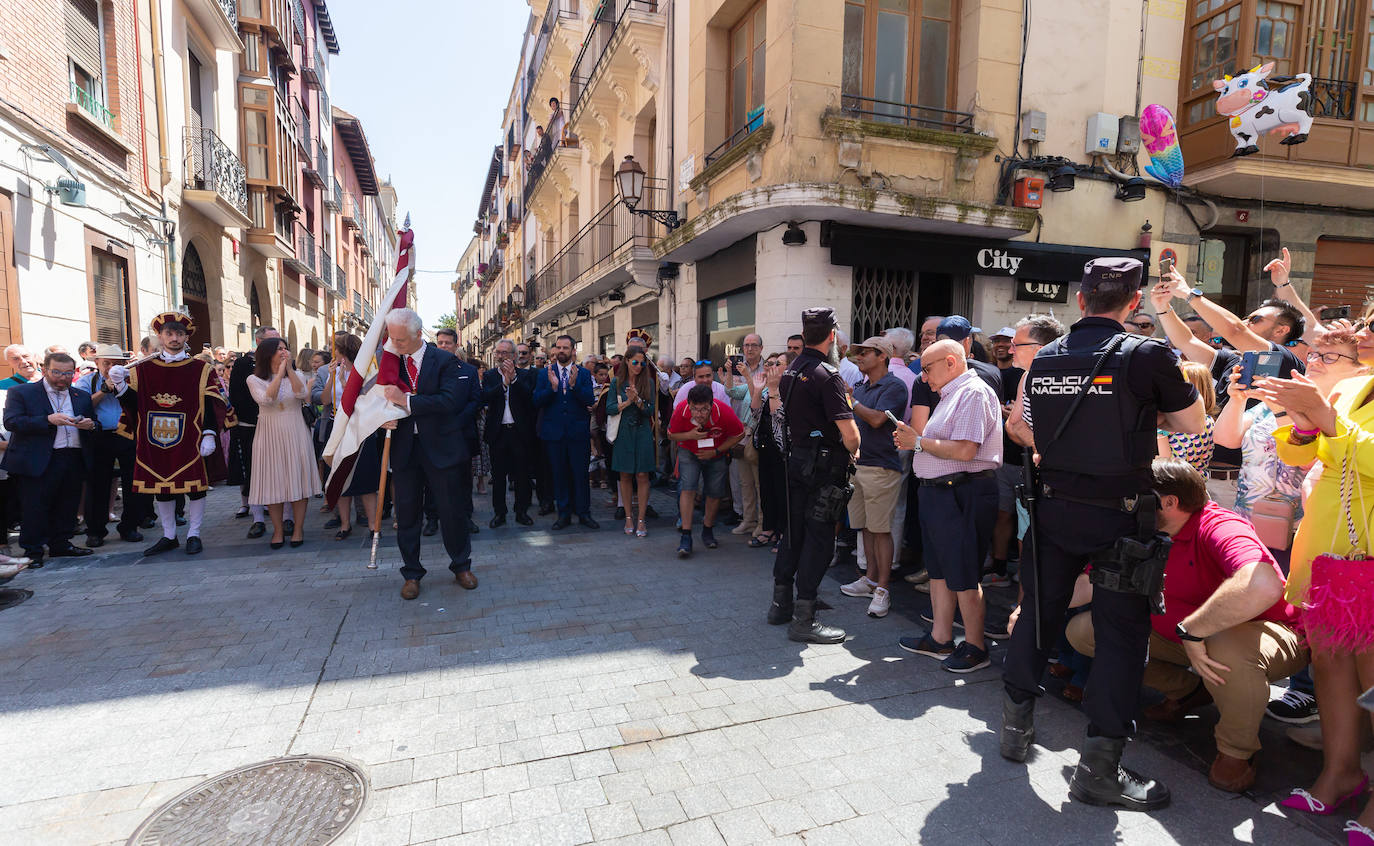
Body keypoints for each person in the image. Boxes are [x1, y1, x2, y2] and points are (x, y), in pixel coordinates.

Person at [999, 257, 1204, 810]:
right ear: (1133, 302)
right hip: (1119, 515)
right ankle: (1097, 770)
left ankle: (1015, 733)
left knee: (1038, 614)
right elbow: (1195, 424)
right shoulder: (1148, 355)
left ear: (1082, 301)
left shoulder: (1044, 356)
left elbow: (1019, 424)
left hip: (1053, 508)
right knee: (1120, 639)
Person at [1065, 458, 1306, 792]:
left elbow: (1263, 585)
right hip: (1188, 637)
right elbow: (1092, 584)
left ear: (1169, 502)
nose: (1127, 504)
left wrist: (1195, 628)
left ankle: (1237, 750)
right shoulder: (1142, 529)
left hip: (1272, 633)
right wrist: (1039, 606)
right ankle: (1189, 691)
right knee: (1086, 631)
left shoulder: (1219, 525)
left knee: (1227, 647)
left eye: (1137, 496)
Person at [1258, 307, 1374, 839]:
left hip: (1366, 555)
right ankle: (1339, 773)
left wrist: (1326, 422)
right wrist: (1303, 421)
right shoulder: (1355, 389)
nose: (1365, 332)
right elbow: (1316, 453)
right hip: (1329, 552)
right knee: (1330, 665)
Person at [893, 340, 1003, 671]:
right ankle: (941, 638)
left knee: (963, 572)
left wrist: (919, 442)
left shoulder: (971, 392)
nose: (923, 377)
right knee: (941, 569)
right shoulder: (954, 393)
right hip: (944, 492)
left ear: (951, 362)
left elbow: (966, 451)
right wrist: (919, 443)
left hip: (961, 491)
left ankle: (975, 646)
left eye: (927, 369)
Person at [769, 308, 860, 644]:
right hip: (823, 468)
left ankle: (781, 604)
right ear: (832, 335)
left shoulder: (793, 370)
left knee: (793, 533)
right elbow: (850, 435)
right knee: (819, 538)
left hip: (796, 461)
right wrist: (855, 446)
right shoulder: (827, 374)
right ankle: (804, 617)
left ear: (805, 335)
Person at [110, 313, 233, 556]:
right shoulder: (142, 369)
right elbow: (134, 405)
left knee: (195, 487)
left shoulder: (201, 368)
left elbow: (210, 403)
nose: (174, 338)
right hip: (153, 438)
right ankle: (169, 536)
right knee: (161, 488)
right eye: (169, 333)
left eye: (179, 334)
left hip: (191, 435)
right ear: (160, 336)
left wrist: (209, 433)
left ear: (186, 337)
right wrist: (121, 386)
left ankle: (194, 534)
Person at [379, 309, 481, 601]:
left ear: (416, 334)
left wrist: (407, 401)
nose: (394, 344)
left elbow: (450, 401)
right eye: (392, 338)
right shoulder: (389, 361)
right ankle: (411, 573)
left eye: (400, 339)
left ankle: (461, 566)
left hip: (442, 448)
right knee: (407, 514)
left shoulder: (445, 361)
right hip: (405, 450)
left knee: (452, 511)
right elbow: (376, 398)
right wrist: (381, 418)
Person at [2, 351, 96, 564]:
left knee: (67, 504)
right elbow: (12, 422)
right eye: (56, 372)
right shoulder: (21, 392)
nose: (62, 378)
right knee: (35, 506)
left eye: (68, 373)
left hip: (73, 456)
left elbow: (94, 422)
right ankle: (33, 551)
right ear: (43, 370)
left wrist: (91, 425)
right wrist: (47, 420)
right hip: (38, 459)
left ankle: (61, 544)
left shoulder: (80, 396)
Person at [837, 336, 907, 619]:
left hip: (881, 467)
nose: (859, 357)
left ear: (882, 356)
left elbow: (878, 419)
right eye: (858, 353)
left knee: (880, 530)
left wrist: (850, 400)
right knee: (865, 527)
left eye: (865, 353)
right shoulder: (863, 387)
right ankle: (870, 580)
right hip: (860, 465)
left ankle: (883, 589)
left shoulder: (895, 386)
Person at [246, 337, 321, 548]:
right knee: (273, 482)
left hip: (295, 430)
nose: (283, 352)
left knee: (298, 479)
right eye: (279, 349)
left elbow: (302, 394)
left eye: (285, 348)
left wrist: (288, 371)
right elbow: (266, 400)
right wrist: (279, 375)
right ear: (267, 353)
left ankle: (298, 529)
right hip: (269, 434)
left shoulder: (295, 374)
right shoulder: (254, 379)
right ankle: (278, 531)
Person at [77, 344, 146, 547]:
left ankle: (130, 527)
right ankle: (96, 531)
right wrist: (104, 390)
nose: (110, 367)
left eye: (116, 363)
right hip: (99, 437)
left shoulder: (132, 380)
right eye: (106, 363)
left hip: (128, 435)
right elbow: (81, 407)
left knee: (133, 483)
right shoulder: (86, 381)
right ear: (97, 363)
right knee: (97, 484)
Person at [668, 383, 744, 557]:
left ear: (712, 405)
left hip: (715, 453)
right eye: (695, 409)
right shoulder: (681, 410)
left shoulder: (723, 411)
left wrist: (717, 451)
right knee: (688, 489)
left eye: (704, 409)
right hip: (688, 450)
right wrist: (690, 435)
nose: (699, 414)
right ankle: (686, 535)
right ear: (688, 405)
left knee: (714, 492)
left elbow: (739, 434)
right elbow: (671, 434)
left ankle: (707, 529)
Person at [533, 334, 598, 530]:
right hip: (554, 434)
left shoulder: (584, 374)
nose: (561, 351)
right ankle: (563, 514)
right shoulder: (545, 374)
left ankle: (584, 513)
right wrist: (552, 388)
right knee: (559, 474)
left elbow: (589, 400)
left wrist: (573, 386)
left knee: (580, 475)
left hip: (578, 434)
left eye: (565, 348)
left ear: (572, 351)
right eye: (558, 348)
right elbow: (536, 401)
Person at [322, 333, 379, 540]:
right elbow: (325, 400)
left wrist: (348, 384)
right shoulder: (333, 370)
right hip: (338, 428)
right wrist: (331, 377)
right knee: (339, 475)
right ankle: (345, 525)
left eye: (334, 347)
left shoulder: (365, 370)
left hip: (361, 428)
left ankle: (373, 524)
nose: (332, 350)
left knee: (366, 478)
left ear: (344, 350)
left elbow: (367, 399)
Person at [228, 326, 280, 537]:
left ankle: (285, 516)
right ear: (259, 342)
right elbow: (237, 396)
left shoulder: (283, 364)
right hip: (252, 426)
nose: (278, 346)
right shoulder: (243, 364)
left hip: (278, 425)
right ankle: (257, 517)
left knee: (278, 472)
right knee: (253, 472)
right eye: (272, 341)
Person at [482, 339, 536, 527]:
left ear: (513, 356)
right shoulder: (489, 376)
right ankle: (500, 513)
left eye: (505, 353)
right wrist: (503, 384)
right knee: (498, 477)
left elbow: (530, 398)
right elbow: (485, 397)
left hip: (520, 433)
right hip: (498, 433)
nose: (500, 356)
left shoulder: (524, 375)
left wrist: (513, 380)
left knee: (522, 475)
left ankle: (521, 511)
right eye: (498, 353)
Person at [608, 349, 659, 537]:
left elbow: (650, 410)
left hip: (643, 432)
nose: (638, 366)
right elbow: (610, 408)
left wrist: (637, 399)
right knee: (625, 475)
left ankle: (641, 519)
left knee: (643, 475)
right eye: (635, 362)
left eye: (642, 363)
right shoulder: (616, 382)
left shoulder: (649, 382)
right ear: (627, 361)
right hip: (624, 433)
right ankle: (629, 517)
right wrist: (627, 402)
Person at [748, 353, 788, 551]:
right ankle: (768, 528)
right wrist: (757, 390)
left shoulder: (789, 389)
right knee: (766, 489)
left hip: (783, 451)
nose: (771, 367)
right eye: (769, 363)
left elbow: (778, 416)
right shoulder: (767, 390)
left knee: (782, 492)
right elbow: (754, 412)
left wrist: (773, 389)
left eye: (777, 364)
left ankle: (782, 531)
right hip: (765, 447)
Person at [1156, 360, 1217, 474]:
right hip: (1195, 483)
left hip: (1173, 484)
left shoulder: (1174, 424)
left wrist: (1160, 432)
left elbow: (1164, 464)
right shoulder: (1208, 421)